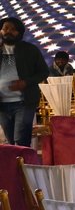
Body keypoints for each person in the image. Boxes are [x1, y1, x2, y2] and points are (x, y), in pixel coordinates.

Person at [0, 16, 49, 147]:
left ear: (19, 33)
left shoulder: (30, 50)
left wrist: (25, 82)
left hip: (24, 103)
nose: (8, 31)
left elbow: (44, 72)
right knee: (10, 143)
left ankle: (24, 160)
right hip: (2, 105)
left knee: (20, 140)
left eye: (13, 29)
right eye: (5, 28)